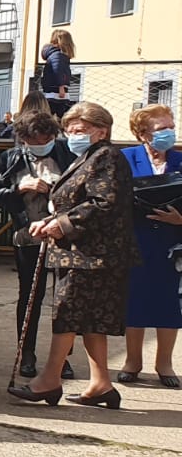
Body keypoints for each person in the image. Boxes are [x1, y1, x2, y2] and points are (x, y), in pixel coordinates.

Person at [9, 102, 138, 408]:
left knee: (66, 315)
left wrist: (62, 225)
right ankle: (100, 384)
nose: (72, 135)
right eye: (69, 130)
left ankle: (49, 381)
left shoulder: (106, 156)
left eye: (80, 130)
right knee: (89, 320)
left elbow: (104, 203)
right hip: (82, 254)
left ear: (101, 130)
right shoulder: (88, 156)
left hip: (92, 256)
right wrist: (51, 220)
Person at [0, 108, 75, 381]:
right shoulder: (12, 157)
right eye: (33, 142)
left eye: (44, 140)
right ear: (23, 139)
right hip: (29, 236)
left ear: (53, 135)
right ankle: (26, 353)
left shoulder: (68, 154)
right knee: (30, 297)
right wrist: (20, 189)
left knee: (64, 299)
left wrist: (53, 188)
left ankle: (61, 357)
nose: (39, 146)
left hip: (64, 236)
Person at [119, 104, 182, 386]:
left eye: (171, 126)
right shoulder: (125, 158)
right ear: (143, 133)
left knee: (168, 303)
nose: (169, 132)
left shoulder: (180, 160)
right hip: (136, 238)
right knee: (136, 300)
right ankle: (132, 361)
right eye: (162, 128)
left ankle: (165, 364)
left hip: (171, 241)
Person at [40, 29, 75, 116]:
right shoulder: (58, 55)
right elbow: (57, 70)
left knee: (52, 113)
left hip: (52, 91)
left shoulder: (53, 54)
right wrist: (61, 86)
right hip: (56, 91)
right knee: (61, 114)